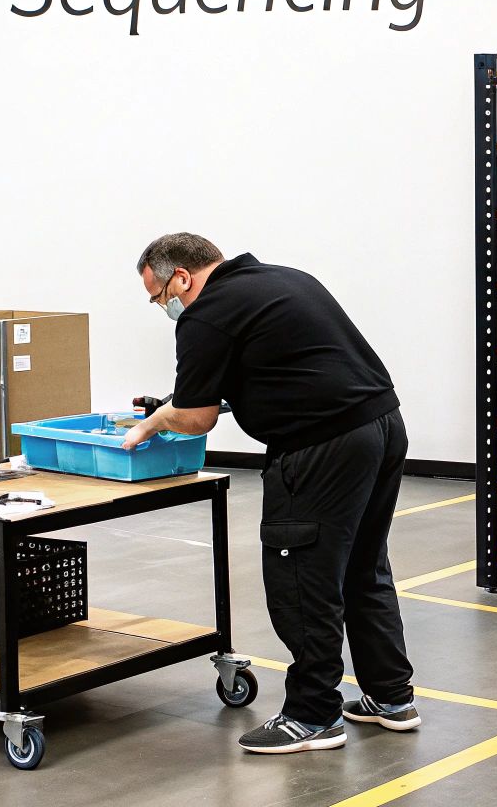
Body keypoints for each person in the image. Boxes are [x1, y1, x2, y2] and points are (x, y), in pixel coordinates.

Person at [122, 233, 418, 754]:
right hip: (381, 426)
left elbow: (195, 418)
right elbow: (280, 371)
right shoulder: (281, 280)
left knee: (301, 578)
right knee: (363, 567)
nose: (162, 307)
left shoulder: (205, 313)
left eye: (158, 296)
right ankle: (391, 698)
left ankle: (312, 715)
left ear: (183, 278)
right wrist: (180, 399)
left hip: (319, 448)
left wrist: (152, 422)